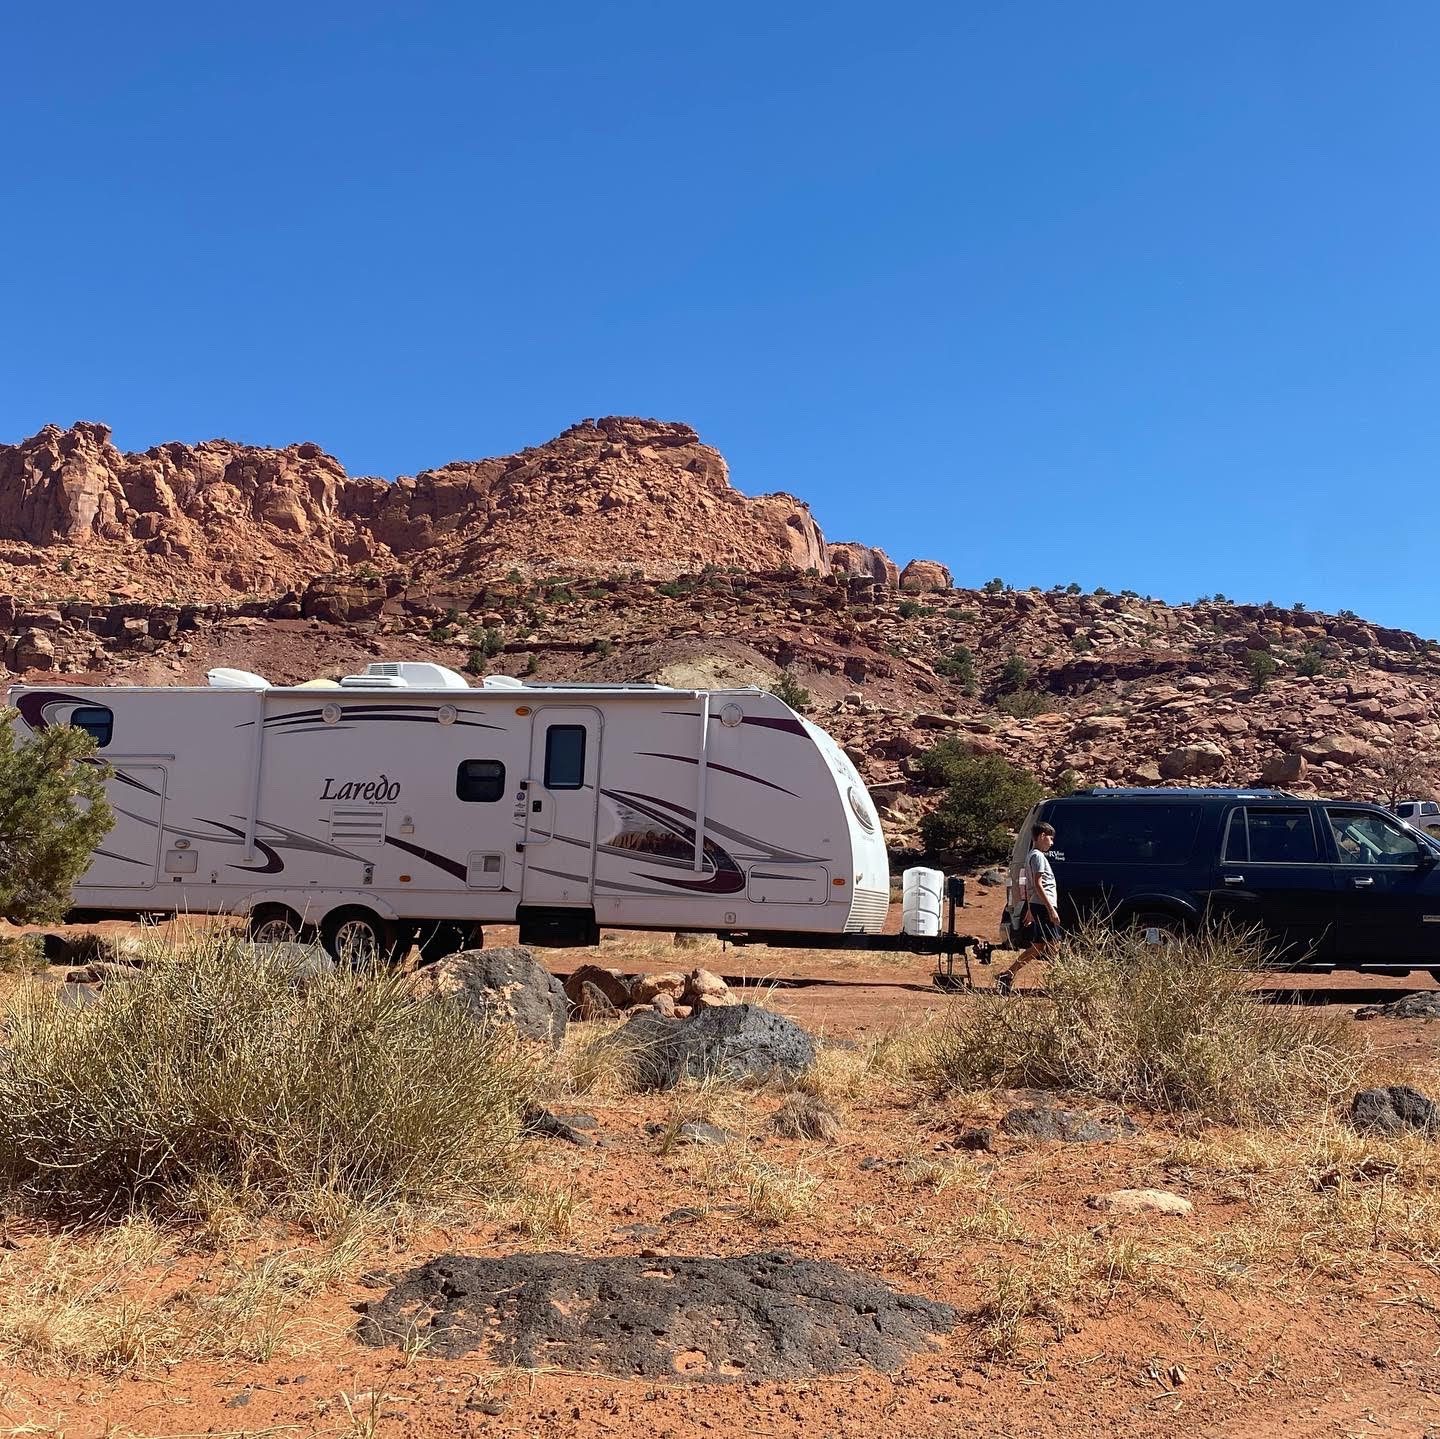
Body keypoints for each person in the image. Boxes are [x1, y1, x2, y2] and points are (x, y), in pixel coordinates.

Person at [997, 820, 1062, 994]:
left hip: (1038, 905)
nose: (1052, 842)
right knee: (1054, 944)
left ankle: (1008, 974)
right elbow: (1038, 885)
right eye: (1050, 838)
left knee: (1039, 946)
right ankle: (1060, 981)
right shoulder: (1038, 856)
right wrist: (1050, 909)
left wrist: (1031, 911)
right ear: (1042, 836)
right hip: (1044, 904)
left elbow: (1030, 888)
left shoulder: (1031, 856)